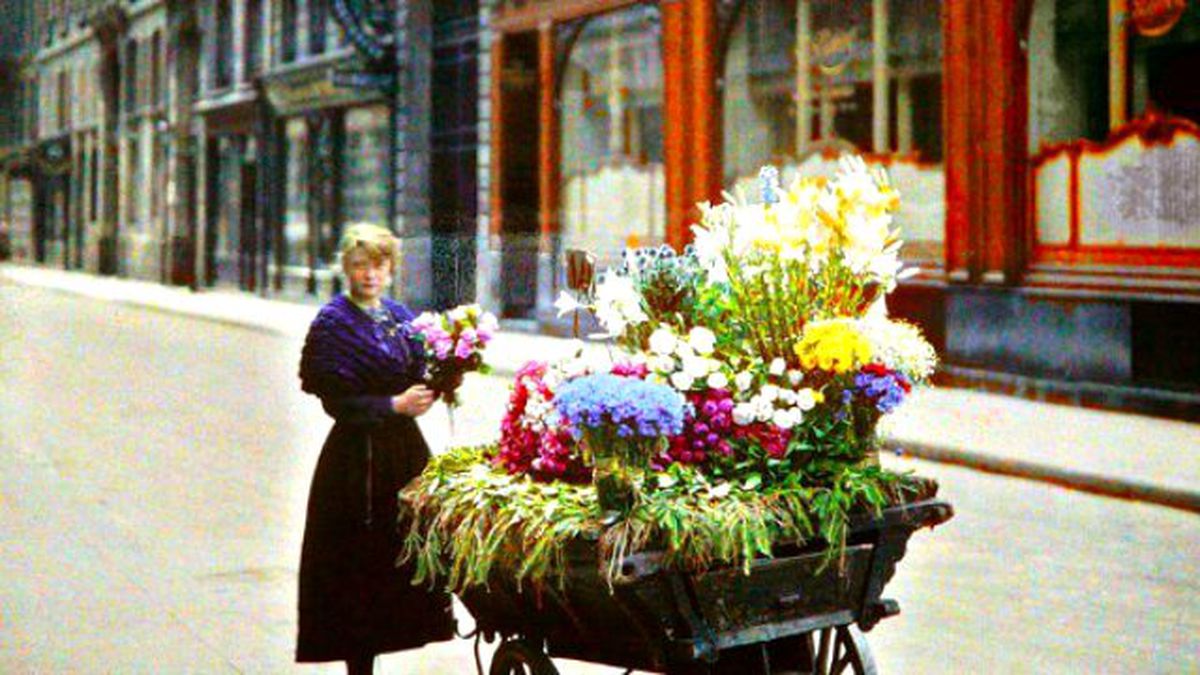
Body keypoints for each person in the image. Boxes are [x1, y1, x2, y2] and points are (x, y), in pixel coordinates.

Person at [296, 223, 454, 674]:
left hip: (403, 453)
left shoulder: (401, 317)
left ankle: (397, 635)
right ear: (347, 268)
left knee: (401, 551)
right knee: (357, 562)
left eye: (379, 265)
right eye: (361, 265)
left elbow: (425, 367)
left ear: (390, 269)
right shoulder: (334, 323)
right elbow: (335, 400)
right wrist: (392, 404)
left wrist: (436, 387)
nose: (370, 275)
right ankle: (359, 666)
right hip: (356, 461)